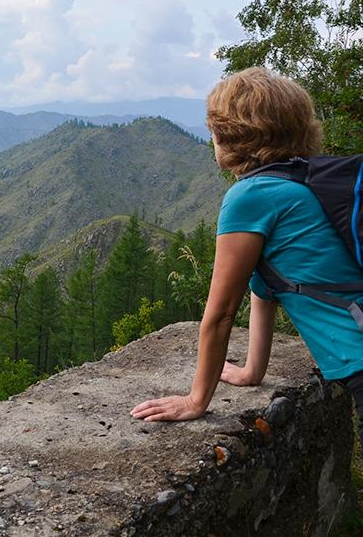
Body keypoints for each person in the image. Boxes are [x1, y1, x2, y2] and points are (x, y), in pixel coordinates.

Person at [130, 67, 363, 441]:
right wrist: (252, 371)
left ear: (232, 135)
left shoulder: (251, 196)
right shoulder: (305, 182)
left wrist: (196, 400)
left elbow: (221, 314)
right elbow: (267, 285)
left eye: (214, 130)